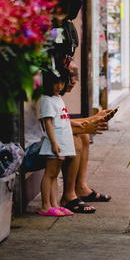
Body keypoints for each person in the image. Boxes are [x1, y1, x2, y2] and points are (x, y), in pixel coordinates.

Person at [59, 60, 116, 214]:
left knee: (83, 135)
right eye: (70, 75)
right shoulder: (47, 98)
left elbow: (62, 121)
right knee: (76, 138)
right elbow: (54, 126)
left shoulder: (56, 97)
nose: (74, 81)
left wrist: (94, 119)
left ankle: (80, 187)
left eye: (75, 76)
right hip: (39, 144)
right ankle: (68, 196)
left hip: (47, 140)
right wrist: (89, 122)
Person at [37, 69, 76, 217]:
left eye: (61, 82)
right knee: (50, 174)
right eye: (55, 82)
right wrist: (54, 143)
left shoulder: (58, 98)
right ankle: (45, 205)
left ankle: (54, 204)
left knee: (55, 175)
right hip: (55, 143)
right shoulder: (46, 100)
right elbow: (48, 123)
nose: (59, 86)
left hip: (62, 143)